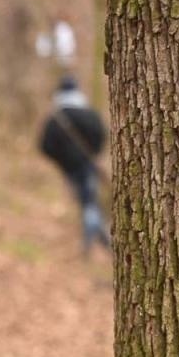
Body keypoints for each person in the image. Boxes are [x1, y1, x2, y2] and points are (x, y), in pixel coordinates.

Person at [37, 74, 110, 253]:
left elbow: (45, 146)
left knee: (86, 202)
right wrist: (93, 153)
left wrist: (62, 161)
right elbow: (102, 136)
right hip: (88, 166)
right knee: (89, 201)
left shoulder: (55, 118)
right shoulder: (89, 114)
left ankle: (92, 241)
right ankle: (100, 239)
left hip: (69, 170)